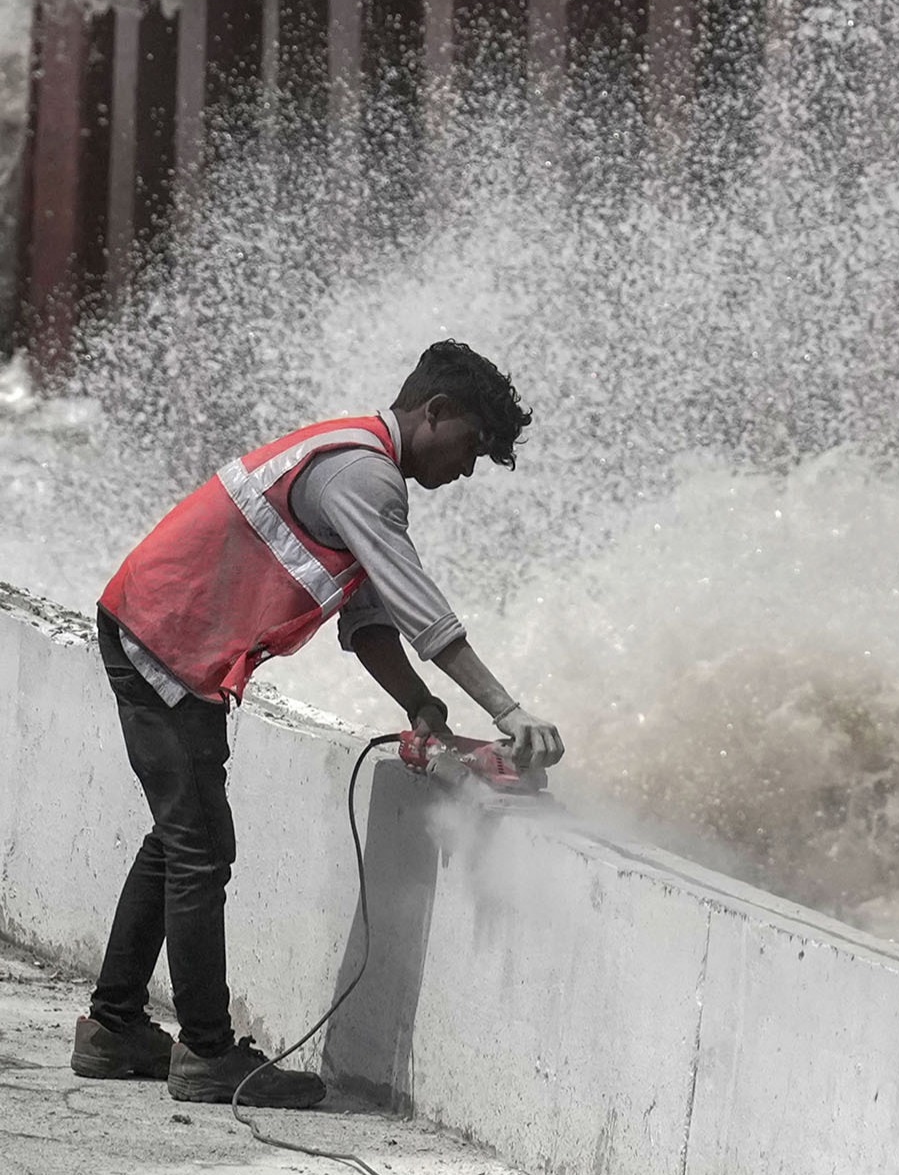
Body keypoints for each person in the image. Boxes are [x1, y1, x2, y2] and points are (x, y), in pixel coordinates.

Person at [72, 338, 564, 1109]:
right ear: (434, 412)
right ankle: (205, 1054)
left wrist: (425, 711)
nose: (468, 469)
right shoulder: (366, 475)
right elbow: (417, 608)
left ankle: (113, 1028)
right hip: (165, 636)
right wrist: (507, 709)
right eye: (472, 445)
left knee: (181, 839)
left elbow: (366, 623)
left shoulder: (353, 462)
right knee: (201, 850)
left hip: (162, 633)